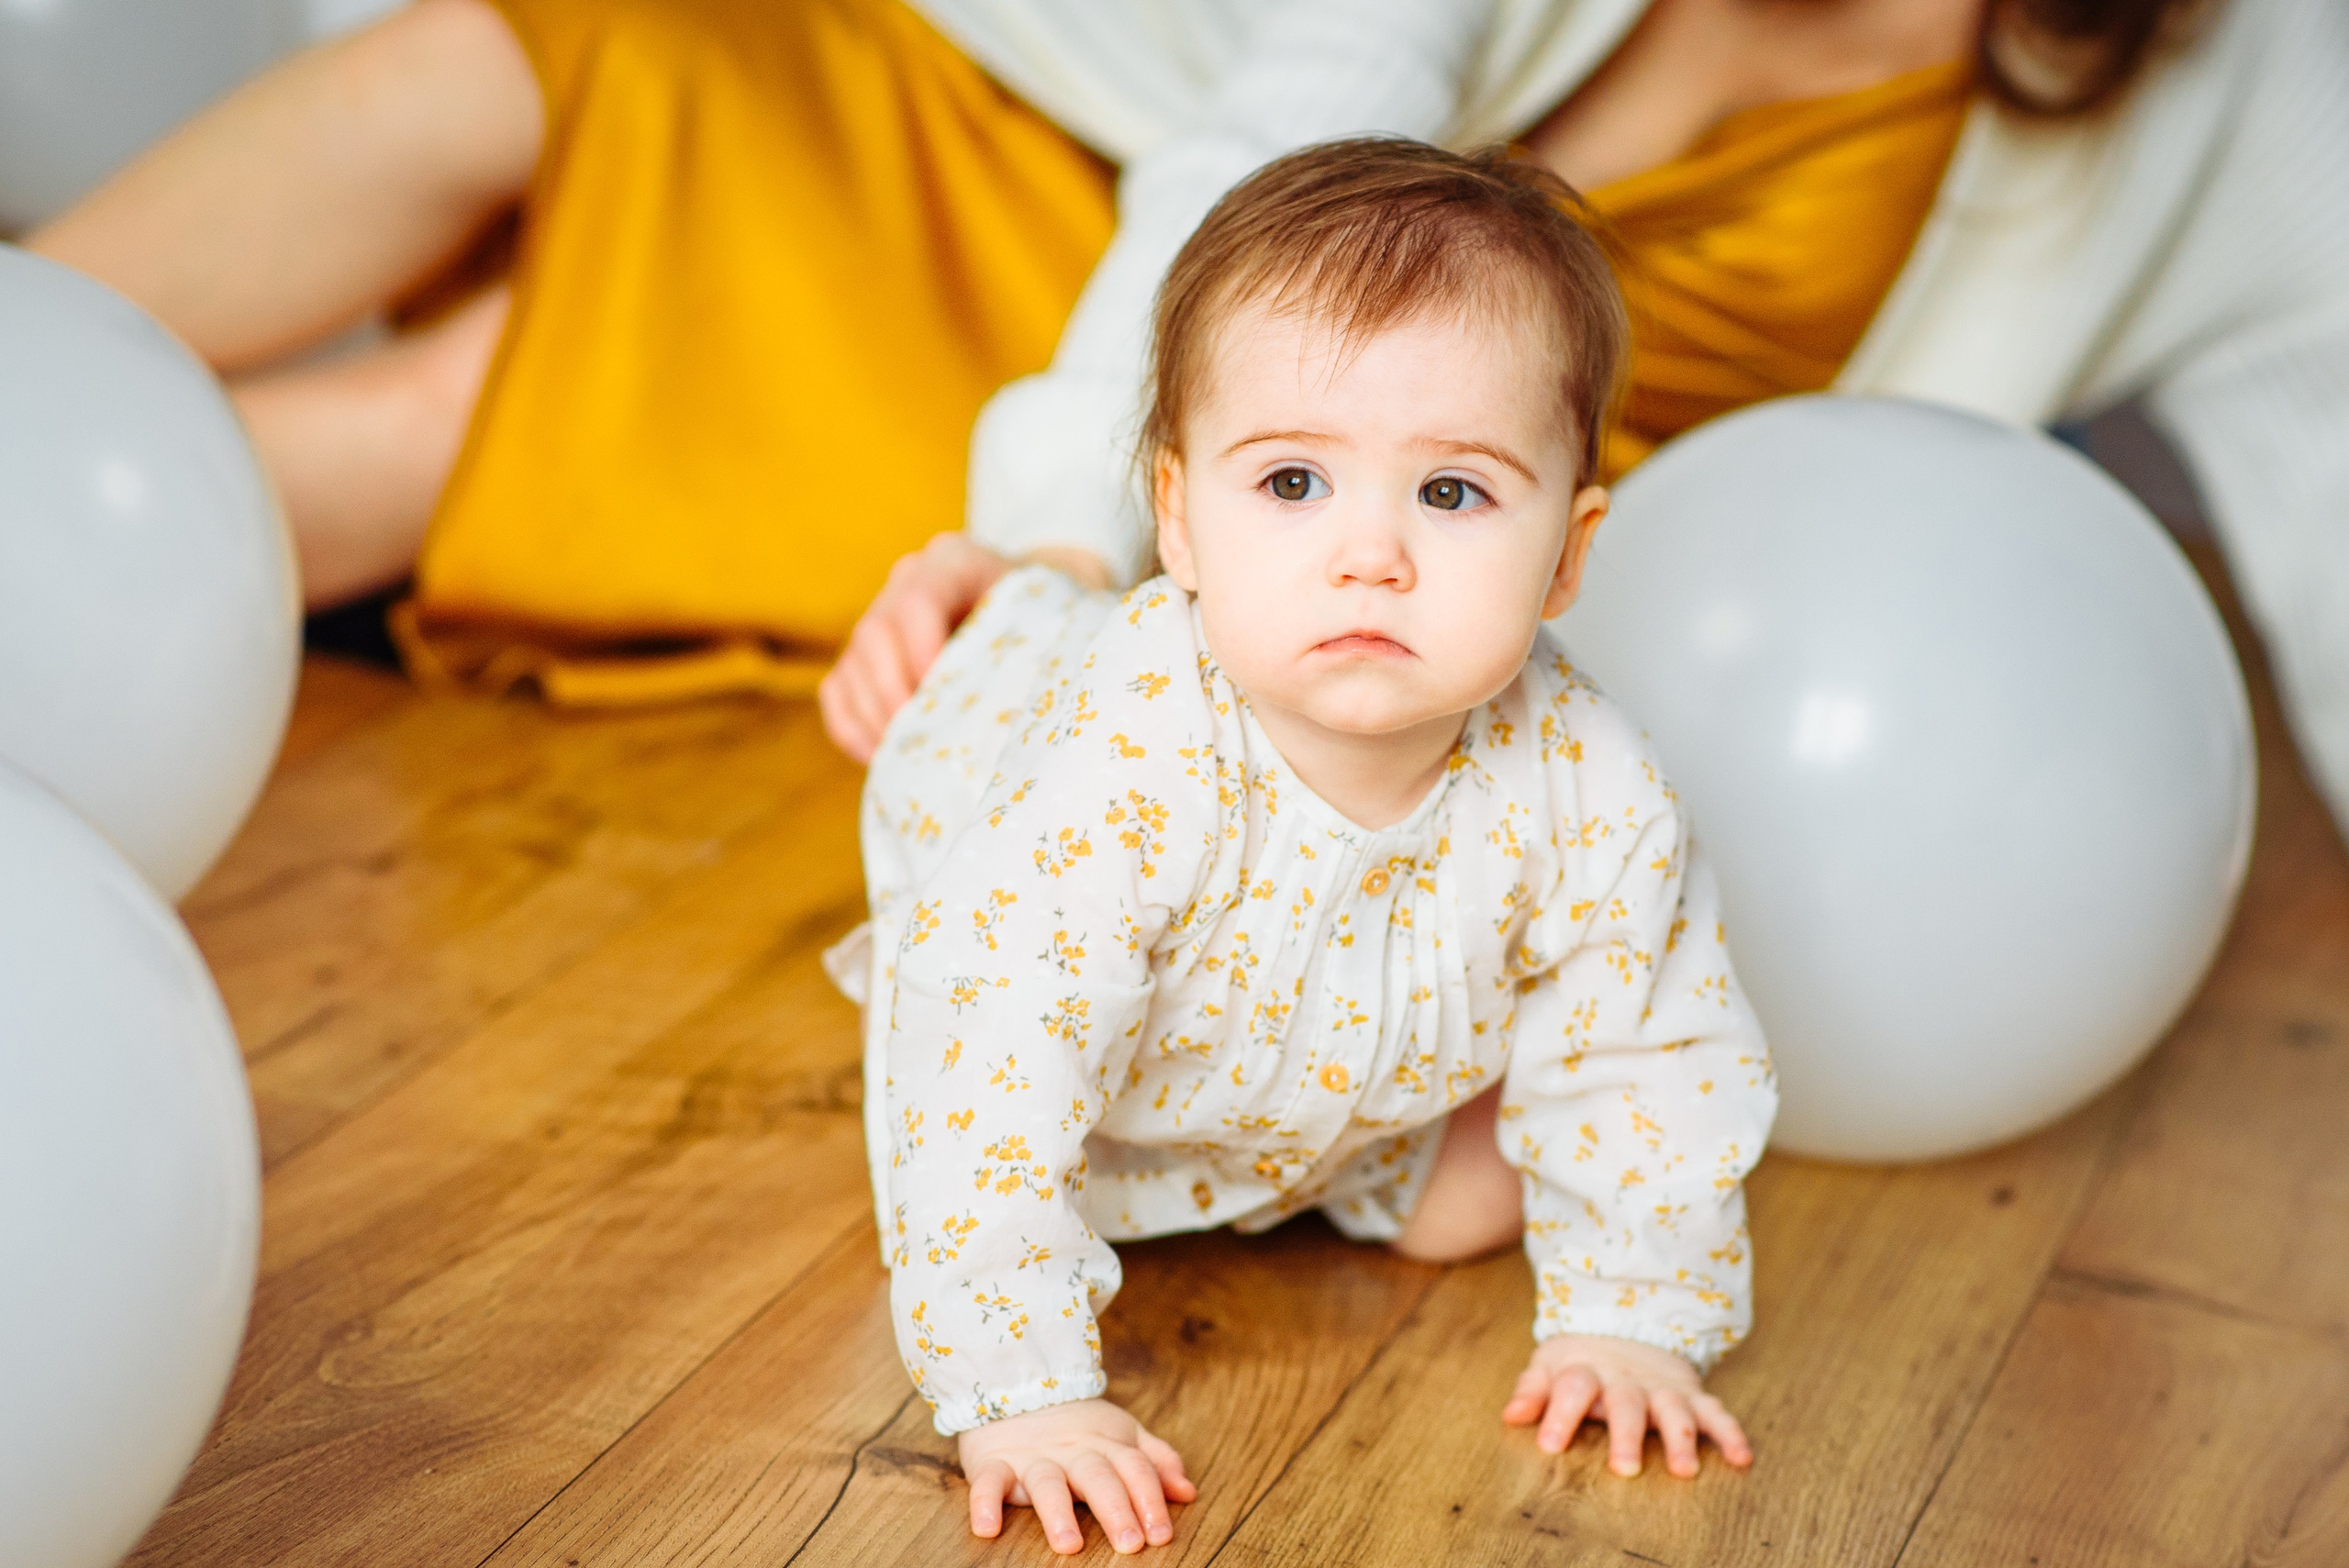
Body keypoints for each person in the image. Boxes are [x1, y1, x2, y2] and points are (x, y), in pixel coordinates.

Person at [32, 1, 2349, 839]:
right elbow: (1296, 125)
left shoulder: (2245, 101)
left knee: (463, 402)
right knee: (510, 51)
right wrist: (1057, 528)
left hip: (1332, 510)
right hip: (1132, 278)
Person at [828, 138, 1778, 1557]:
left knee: (1493, 1187)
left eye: (1451, 494)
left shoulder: (1594, 783)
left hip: (1317, 1024)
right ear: (1178, 519)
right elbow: (992, 1038)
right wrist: (1018, 1391)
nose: (1370, 554)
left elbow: (1653, 1043)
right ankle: (1007, 627)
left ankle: (1330, 1152)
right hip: (1038, 946)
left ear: (1569, 557)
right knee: (989, 1085)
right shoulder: (1125, 762)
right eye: (1291, 484)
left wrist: (1636, 1316)